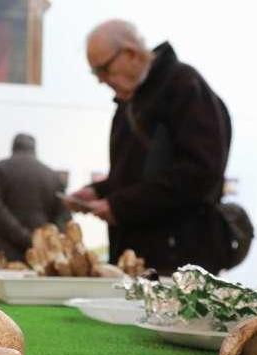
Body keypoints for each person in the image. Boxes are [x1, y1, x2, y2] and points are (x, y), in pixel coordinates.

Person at [65, 20, 233, 274]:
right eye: (95, 73)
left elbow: (200, 172)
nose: (101, 81)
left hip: (179, 259)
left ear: (131, 53)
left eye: (104, 69)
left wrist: (120, 206)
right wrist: (98, 191)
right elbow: (137, 176)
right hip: (140, 254)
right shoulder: (132, 100)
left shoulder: (183, 86)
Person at [0, 133, 69, 261]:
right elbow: (63, 215)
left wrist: (24, 236)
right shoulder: (53, 176)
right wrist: (46, 241)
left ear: (13, 147)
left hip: (3, 249)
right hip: (41, 253)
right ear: (34, 149)